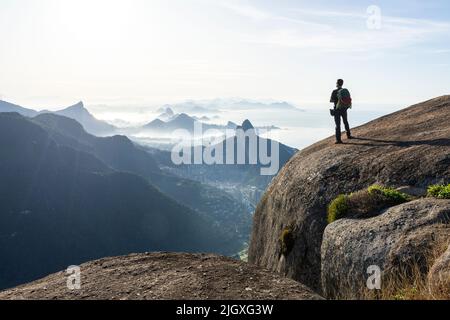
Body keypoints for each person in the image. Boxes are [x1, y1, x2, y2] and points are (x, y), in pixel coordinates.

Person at [330, 79, 352, 144]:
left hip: (337, 110)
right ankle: (349, 135)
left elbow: (331, 100)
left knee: (338, 125)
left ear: (337, 83)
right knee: (345, 121)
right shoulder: (345, 91)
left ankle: (338, 140)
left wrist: (336, 100)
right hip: (344, 109)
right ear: (342, 84)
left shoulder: (334, 91)